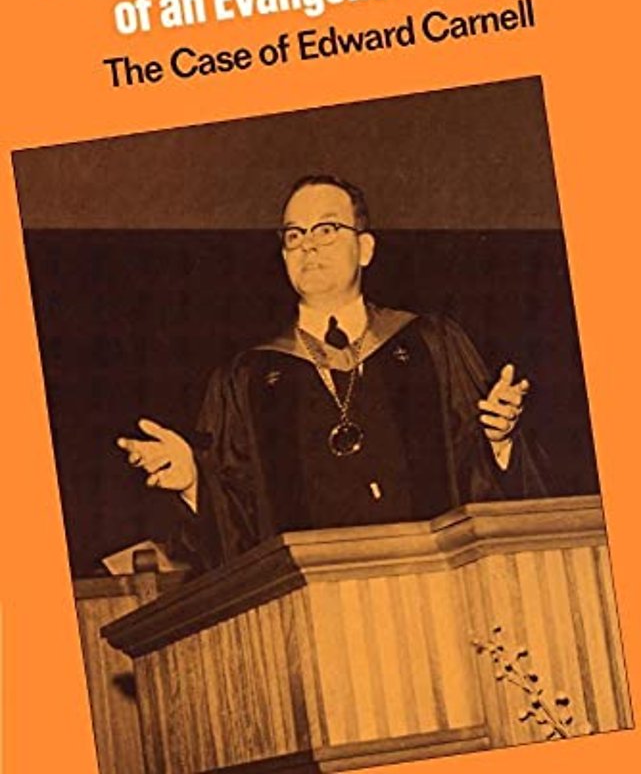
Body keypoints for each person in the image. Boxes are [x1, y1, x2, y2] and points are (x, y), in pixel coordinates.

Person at [116, 175, 549, 569]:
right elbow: (236, 528)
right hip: (314, 612)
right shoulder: (246, 379)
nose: (308, 246)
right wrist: (194, 482)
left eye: (326, 229)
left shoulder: (432, 344)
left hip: (431, 591)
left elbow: (485, 491)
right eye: (294, 235)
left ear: (365, 248)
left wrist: (499, 442)